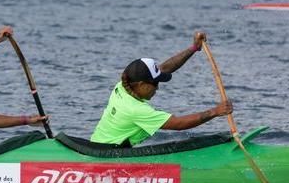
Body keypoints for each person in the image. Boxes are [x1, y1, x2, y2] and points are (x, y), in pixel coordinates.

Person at [90, 32, 232, 147]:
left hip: (97, 145)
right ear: (141, 84)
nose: (158, 88)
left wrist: (193, 48)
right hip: (109, 156)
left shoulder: (122, 85)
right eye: (155, 83)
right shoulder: (136, 110)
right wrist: (215, 111)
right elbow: (179, 124)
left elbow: (164, 68)